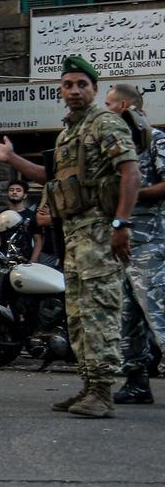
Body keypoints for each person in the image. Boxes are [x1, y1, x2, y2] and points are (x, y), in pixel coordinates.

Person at [0, 55, 140, 418]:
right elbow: (48, 176)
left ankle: (102, 392)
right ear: (60, 90)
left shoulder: (106, 124)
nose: (74, 91)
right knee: (79, 315)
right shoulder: (69, 132)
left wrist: (122, 224)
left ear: (95, 90)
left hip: (100, 232)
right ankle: (88, 386)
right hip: (74, 237)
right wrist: (10, 158)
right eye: (68, 85)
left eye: (81, 85)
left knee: (99, 312)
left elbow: (130, 174)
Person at [103, 84, 165, 405]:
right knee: (127, 319)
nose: (105, 107)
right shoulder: (117, 146)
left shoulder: (157, 140)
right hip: (121, 246)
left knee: (160, 314)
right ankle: (137, 381)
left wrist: (129, 195)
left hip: (152, 245)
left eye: (109, 103)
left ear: (125, 105)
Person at [0, 179, 38, 260]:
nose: (14, 192)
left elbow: (38, 240)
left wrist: (33, 260)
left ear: (25, 195)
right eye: (11, 190)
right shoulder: (1, 215)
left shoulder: (31, 215)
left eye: (18, 190)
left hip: (25, 258)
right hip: (3, 258)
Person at [28, 202, 60, 268]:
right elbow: (40, 220)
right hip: (47, 253)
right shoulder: (43, 203)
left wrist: (51, 215)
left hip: (62, 250)